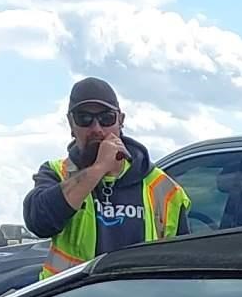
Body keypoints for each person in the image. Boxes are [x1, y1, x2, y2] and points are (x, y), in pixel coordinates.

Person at [22, 76, 190, 278]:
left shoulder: (162, 187)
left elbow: (182, 266)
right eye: (84, 118)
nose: (96, 129)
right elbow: (39, 222)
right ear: (71, 124)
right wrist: (99, 168)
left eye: (106, 118)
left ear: (121, 121)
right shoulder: (57, 173)